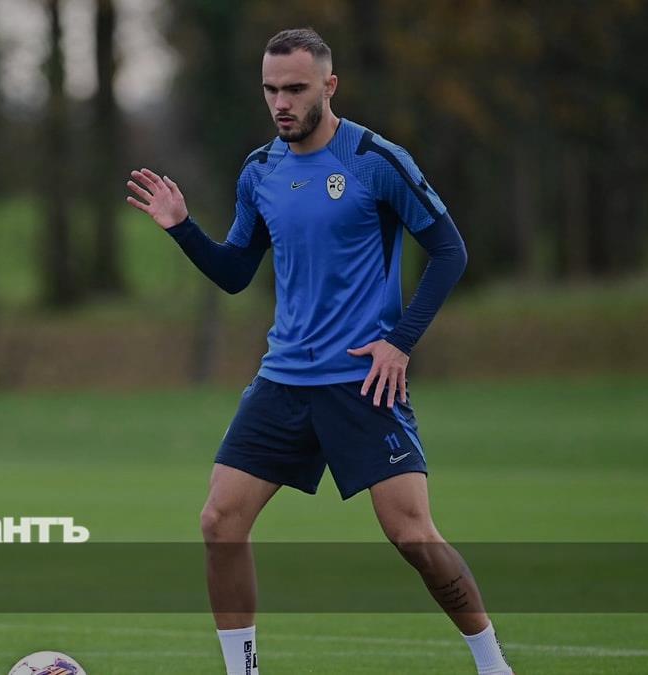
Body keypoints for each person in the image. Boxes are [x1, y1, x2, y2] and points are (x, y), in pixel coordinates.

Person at [125, 27, 511, 675]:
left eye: (296, 89)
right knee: (220, 521)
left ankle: (495, 666)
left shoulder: (376, 160)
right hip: (282, 381)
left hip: (362, 381)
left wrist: (400, 343)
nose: (281, 102)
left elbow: (450, 251)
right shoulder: (260, 171)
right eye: (271, 89)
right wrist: (183, 228)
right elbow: (235, 272)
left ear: (329, 86)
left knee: (412, 535)